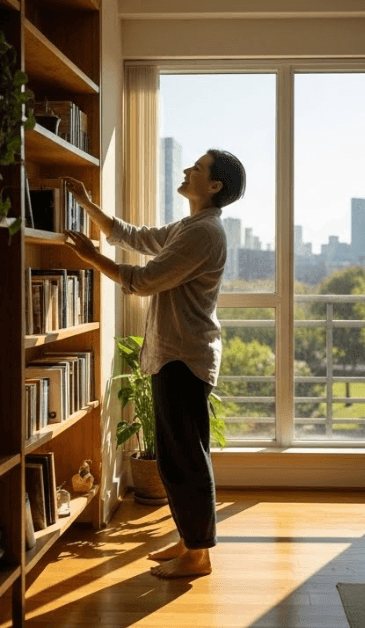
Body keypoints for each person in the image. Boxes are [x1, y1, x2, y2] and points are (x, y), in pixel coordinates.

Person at [62, 149, 246, 577]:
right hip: (173, 354)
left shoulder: (204, 234)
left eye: (197, 168)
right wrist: (90, 206)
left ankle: (199, 555)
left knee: (186, 461)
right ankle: (188, 541)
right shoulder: (191, 226)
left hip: (185, 357)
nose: (187, 170)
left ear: (214, 186)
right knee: (173, 458)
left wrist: (91, 257)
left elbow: (143, 281)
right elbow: (137, 237)